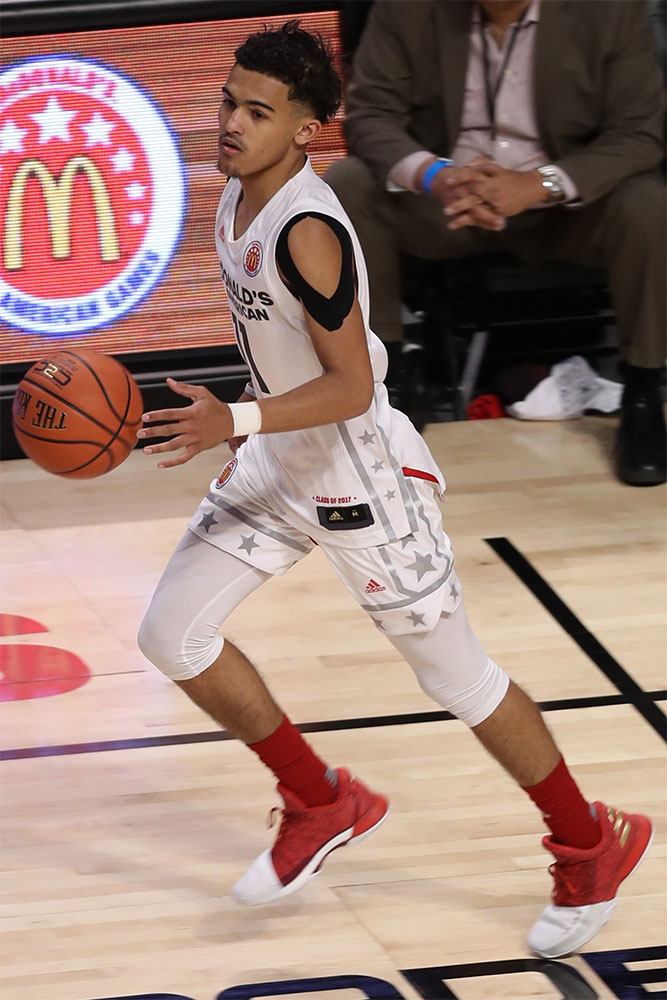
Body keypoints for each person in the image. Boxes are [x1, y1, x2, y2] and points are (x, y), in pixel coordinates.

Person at [136, 22, 652, 959]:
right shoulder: (234, 193)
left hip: (357, 479)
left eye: (258, 112)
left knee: (457, 679)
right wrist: (249, 432)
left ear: (305, 131)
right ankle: (320, 800)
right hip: (278, 460)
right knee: (171, 634)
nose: (232, 123)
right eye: (228, 102)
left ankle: (589, 842)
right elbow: (280, 351)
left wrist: (236, 420)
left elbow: (349, 387)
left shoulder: (307, 230)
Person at [326, 0, 667, 487]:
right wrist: (437, 177)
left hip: (567, 206)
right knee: (349, 184)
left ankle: (644, 392)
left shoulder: (609, 9)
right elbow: (368, 117)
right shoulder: (406, 8)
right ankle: (387, 381)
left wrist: (537, 185)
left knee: (647, 203)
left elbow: (639, 134)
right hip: (450, 203)